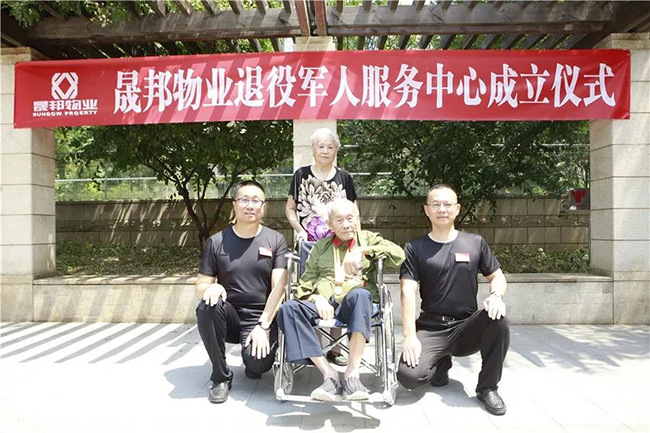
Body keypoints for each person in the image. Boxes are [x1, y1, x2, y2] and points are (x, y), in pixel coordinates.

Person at [397, 184, 510, 416]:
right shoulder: (415, 248)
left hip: (466, 328)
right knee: (409, 377)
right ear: (426, 210)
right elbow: (407, 291)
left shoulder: (475, 243)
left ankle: (487, 387)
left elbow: (497, 276)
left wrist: (496, 296)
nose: (442, 209)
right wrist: (409, 336)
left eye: (447, 204)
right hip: (431, 327)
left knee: (498, 317)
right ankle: (440, 363)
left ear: (457, 209)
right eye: (436, 204)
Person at [276, 199, 405, 401]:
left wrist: (362, 250)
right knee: (289, 308)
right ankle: (329, 375)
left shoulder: (368, 239)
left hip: (355, 304)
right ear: (330, 224)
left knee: (360, 294)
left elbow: (399, 254)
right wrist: (316, 298)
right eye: (339, 220)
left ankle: (352, 374)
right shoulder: (320, 247)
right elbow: (304, 284)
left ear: (358, 219)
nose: (346, 224)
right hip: (325, 302)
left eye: (350, 218)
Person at [195, 180, 288, 404]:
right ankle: (220, 377)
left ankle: (251, 360)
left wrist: (264, 325)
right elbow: (200, 287)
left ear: (263, 207)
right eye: (244, 199)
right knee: (207, 305)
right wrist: (213, 287)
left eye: (256, 200)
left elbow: (280, 288)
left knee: (258, 365)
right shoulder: (217, 242)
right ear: (234, 205)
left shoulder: (276, 240)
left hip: (261, 317)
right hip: (229, 317)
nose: (250, 205)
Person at [286, 127, 357, 366]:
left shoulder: (344, 177)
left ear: (336, 150)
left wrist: (354, 242)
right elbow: (290, 209)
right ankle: (313, 347)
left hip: (339, 244)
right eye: (321, 146)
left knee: (340, 288)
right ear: (313, 149)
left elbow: (354, 213)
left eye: (330, 147)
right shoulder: (301, 175)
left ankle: (335, 349)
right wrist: (299, 230)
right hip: (309, 244)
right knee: (312, 291)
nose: (325, 151)